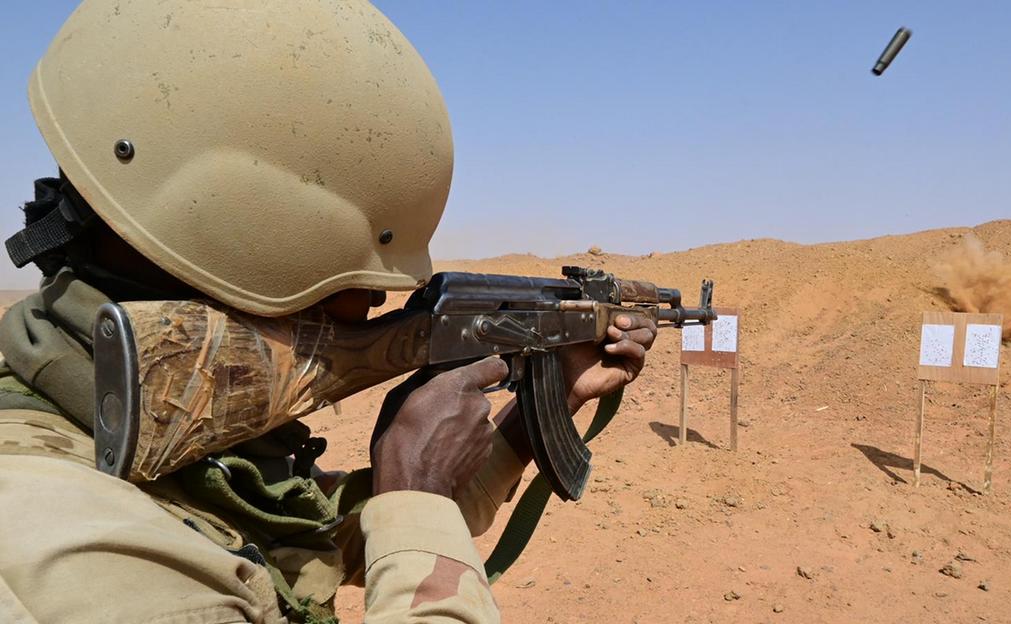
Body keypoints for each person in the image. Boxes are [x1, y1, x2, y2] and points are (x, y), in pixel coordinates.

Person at [0, 2, 657, 623]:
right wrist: (418, 490)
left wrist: (525, 424)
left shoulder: (108, 428)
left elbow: (314, 545)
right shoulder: (78, 559)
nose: (375, 306)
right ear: (255, 249)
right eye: (363, 291)